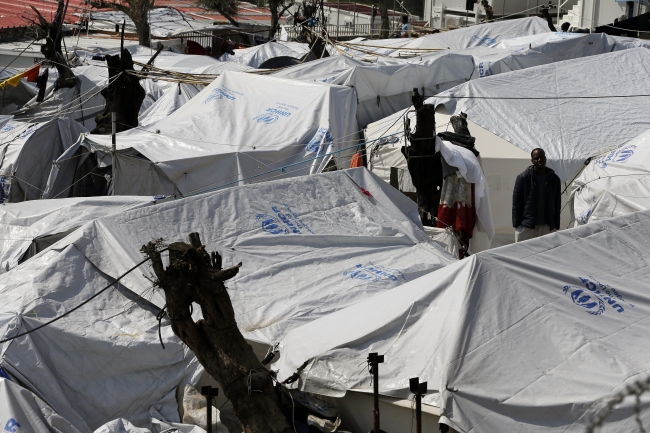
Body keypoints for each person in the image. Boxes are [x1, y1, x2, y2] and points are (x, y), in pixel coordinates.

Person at [512, 148, 561, 242]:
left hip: (547, 227)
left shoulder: (554, 179)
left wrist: (556, 226)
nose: (540, 160)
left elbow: (557, 203)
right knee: (523, 255)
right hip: (527, 227)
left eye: (542, 157)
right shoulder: (523, 178)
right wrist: (518, 226)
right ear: (532, 161)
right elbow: (516, 204)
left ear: (545, 158)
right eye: (536, 158)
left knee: (547, 255)